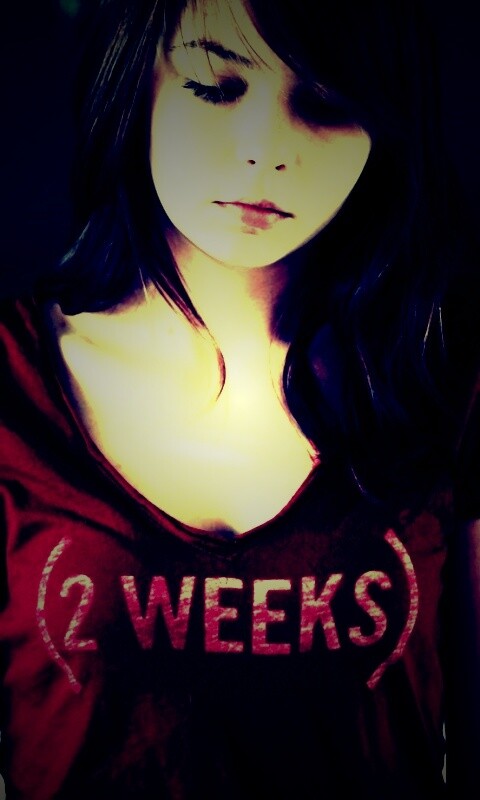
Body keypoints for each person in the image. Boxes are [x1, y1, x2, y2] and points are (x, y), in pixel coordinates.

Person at [0, 0, 479, 797]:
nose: (265, 149)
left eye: (326, 103)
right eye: (216, 86)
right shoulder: (13, 385)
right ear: (139, 82)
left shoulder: (447, 380)